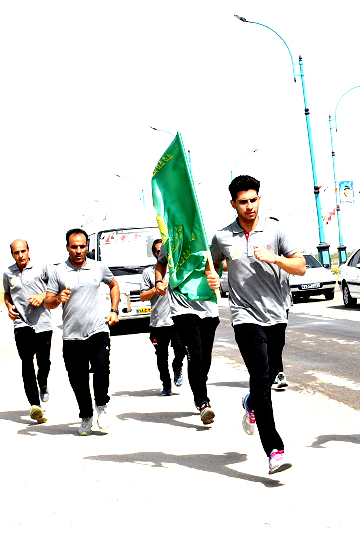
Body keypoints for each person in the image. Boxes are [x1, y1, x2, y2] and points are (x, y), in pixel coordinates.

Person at [210, 175, 306, 475]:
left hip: (277, 314)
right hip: (244, 315)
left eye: (253, 200)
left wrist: (275, 259)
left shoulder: (276, 230)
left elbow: (301, 266)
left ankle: (250, 402)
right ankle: (274, 451)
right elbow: (211, 264)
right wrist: (212, 278)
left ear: (259, 199)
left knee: (269, 377)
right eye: (243, 202)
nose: (249, 206)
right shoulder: (223, 237)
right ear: (233, 203)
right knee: (261, 377)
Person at [45, 228, 120, 436]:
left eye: (82, 246)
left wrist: (114, 310)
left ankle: (102, 406)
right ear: (67, 247)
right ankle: (86, 415)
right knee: (78, 379)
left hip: (97, 330)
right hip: (72, 336)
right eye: (74, 247)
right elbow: (48, 302)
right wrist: (58, 298)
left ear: (87, 247)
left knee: (101, 368)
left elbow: (114, 285)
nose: (78, 251)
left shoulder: (98, 267)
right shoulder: (58, 271)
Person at [155, 239, 220, 425]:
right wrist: (159, 281)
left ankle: (199, 384)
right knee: (195, 353)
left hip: (208, 305)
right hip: (182, 306)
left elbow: (220, 263)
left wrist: (216, 273)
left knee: (205, 358)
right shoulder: (170, 240)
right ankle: (203, 402)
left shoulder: (208, 238)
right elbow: (161, 263)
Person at [2, 239, 52, 424]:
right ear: (12, 254)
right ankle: (35, 405)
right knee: (26, 361)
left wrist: (42, 295)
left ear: (29, 251)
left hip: (43, 323)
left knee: (44, 363)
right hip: (21, 324)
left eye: (23, 251)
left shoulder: (42, 268)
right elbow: (7, 295)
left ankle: (43, 383)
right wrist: (9, 307)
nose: (20, 255)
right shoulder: (8, 273)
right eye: (16, 252)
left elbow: (54, 289)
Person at [140, 238, 187, 396]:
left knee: (181, 350)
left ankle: (177, 366)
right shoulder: (148, 273)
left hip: (178, 319)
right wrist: (156, 289)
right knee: (161, 357)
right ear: (155, 254)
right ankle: (166, 384)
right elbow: (142, 296)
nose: (163, 253)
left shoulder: (178, 269)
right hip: (158, 322)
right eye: (159, 251)